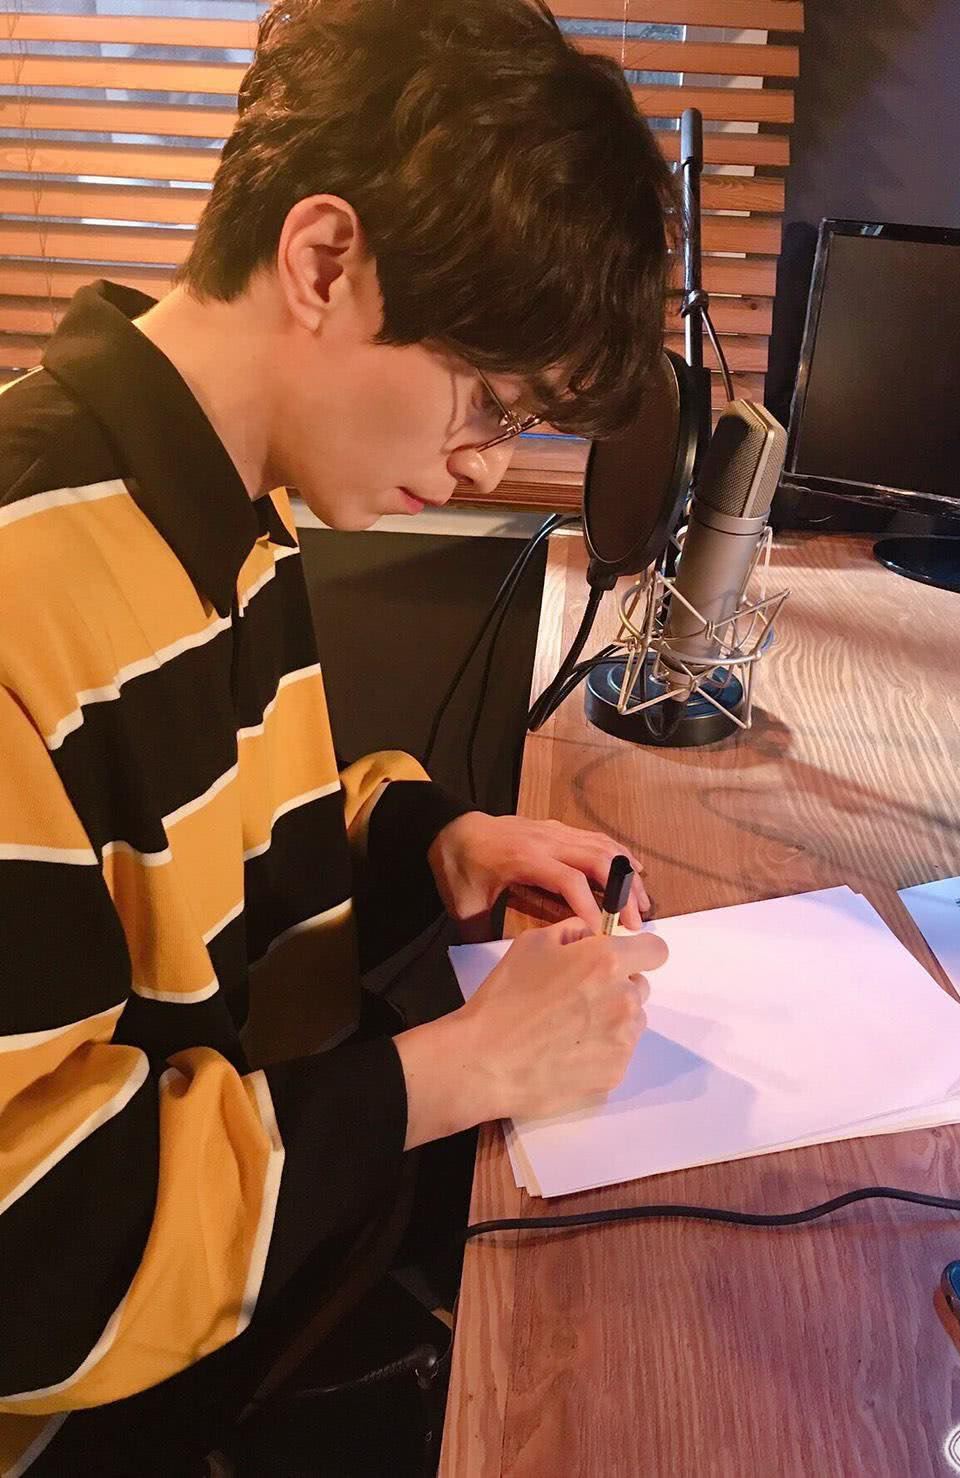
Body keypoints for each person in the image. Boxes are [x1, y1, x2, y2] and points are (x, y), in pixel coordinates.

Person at [0, 1, 677, 1470]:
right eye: (489, 402)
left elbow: (216, 848)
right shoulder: (22, 589)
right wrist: (462, 1069)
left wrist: (431, 842)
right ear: (323, 261)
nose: (485, 465)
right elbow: (30, 1263)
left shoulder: (227, 510)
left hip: (279, 1271)